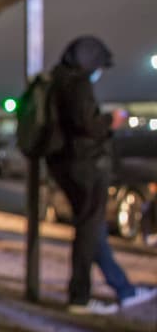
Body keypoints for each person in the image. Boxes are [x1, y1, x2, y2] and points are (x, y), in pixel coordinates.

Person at [44, 36, 156, 314]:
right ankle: (80, 296)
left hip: (65, 164)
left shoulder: (57, 82)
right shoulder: (78, 84)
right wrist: (111, 121)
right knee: (88, 231)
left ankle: (123, 288)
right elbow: (87, 124)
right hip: (85, 166)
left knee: (92, 230)